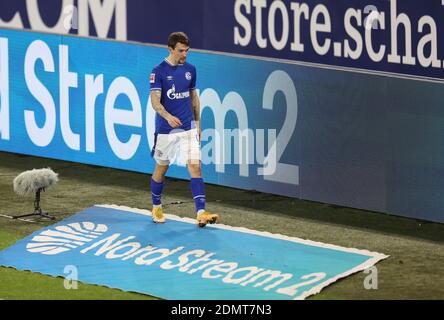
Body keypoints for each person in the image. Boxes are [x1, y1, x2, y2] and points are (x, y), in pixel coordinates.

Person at [149, 31, 220, 227]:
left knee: (195, 166)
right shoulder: (159, 71)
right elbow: (155, 101)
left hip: (188, 127)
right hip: (166, 130)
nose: (184, 55)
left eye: (187, 51)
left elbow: (193, 98)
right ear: (170, 49)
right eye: (180, 51)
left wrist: (197, 123)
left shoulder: (190, 69)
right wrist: (167, 116)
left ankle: (201, 212)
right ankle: (156, 206)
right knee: (161, 169)